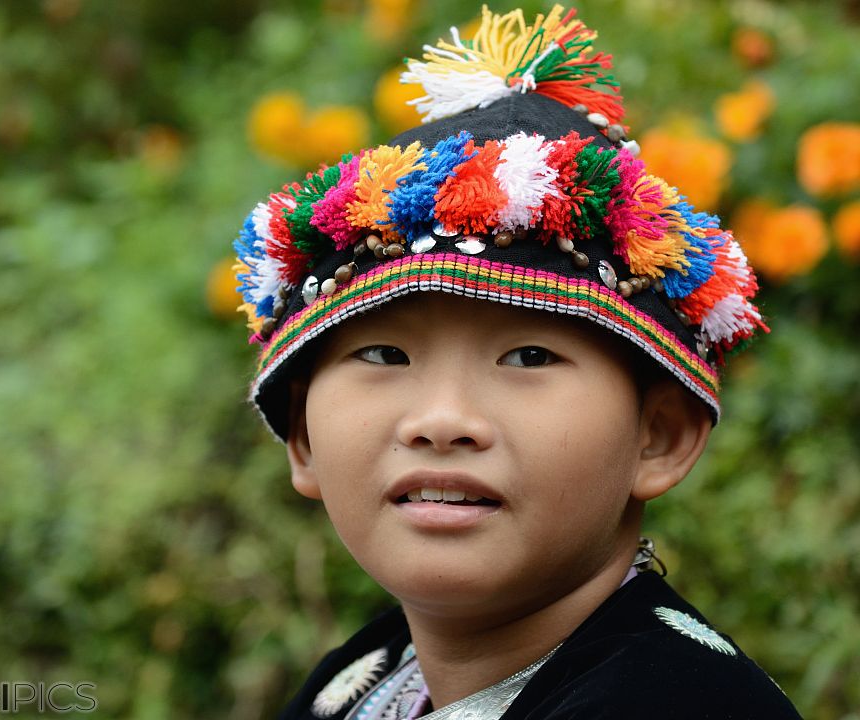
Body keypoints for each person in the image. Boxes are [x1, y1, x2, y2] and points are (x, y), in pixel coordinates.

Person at [230, 5, 803, 718]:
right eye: (384, 353)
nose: (443, 421)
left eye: (528, 356)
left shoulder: (682, 701)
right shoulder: (355, 683)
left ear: (659, 436)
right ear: (303, 440)